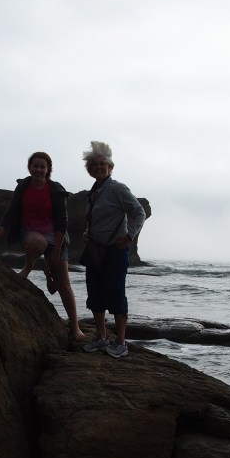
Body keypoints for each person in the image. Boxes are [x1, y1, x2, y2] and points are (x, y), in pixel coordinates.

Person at [0, 152, 86, 341]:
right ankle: (29, 265)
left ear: (48, 170)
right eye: (35, 166)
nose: (38, 169)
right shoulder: (23, 187)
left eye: (42, 167)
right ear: (29, 167)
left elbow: (63, 222)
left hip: (56, 238)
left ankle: (75, 326)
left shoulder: (56, 190)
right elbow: (9, 215)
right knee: (37, 242)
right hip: (31, 234)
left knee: (62, 285)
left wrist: (56, 252)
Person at [80, 141, 146, 358]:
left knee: (116, 294)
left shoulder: (118, 188)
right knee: (95, 294)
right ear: (89, 169)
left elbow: (139, 213)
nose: (98, 167)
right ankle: (101, 338)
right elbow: (97, 219)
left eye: (102, 164)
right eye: (94, 165)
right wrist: (88, 232)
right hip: (95, 250)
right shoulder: (94, 191)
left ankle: (121, 342)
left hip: (115, 251)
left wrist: (129, 236)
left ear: (109, 166)